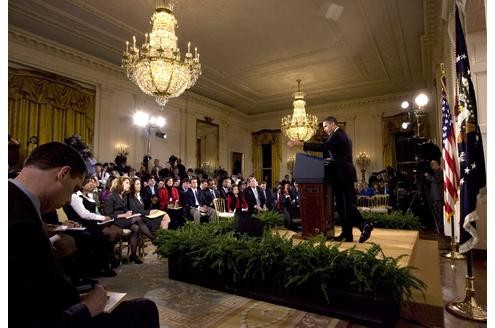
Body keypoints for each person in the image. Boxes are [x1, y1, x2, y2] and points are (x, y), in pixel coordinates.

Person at [9, 142, 159, 327]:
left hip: (56, 306)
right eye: (73, 189)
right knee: (144, 310)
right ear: (63, 174)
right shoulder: (18, 219)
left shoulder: (18, 202)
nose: (67, 200)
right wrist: (85, 308)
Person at [288, 116, 373, 243]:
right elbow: (340, 155)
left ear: (333, 124)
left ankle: (364, 224)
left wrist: (301, 143)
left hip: (342, 175)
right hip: (343, 174)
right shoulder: (342, 136)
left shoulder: (337, 135)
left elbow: (324, 146)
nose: (325, 130)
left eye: (326, 126)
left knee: (346, 205)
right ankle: (347, 234)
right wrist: (331, 161)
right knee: (342, 206)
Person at [424, 159, 443, 232]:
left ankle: (440, 228)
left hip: (438, 197)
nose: (431, 165)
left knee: (439, 213)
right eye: (431, 164)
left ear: (437, 164)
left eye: (433, 163)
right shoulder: (434, 172)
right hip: (434, 196)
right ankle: (437, 227)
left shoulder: (440, 172)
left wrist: (428, 176)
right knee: (436, 213)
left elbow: (437, 180)